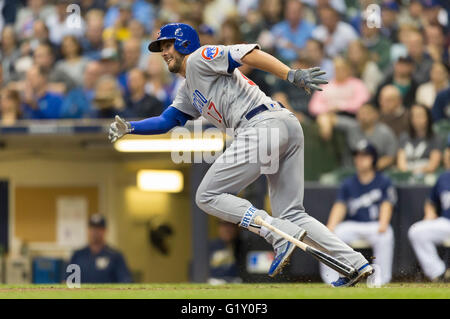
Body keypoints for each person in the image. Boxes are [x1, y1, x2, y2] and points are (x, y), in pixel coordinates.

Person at [109, 23, 374, 287]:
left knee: (206, 196)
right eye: (161, 48)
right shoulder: (188, 88)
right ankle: (355, 263)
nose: (164, 52)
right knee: (292, 214)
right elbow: (167, 121)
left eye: (167, 45)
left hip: (261, 124)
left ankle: (277, 235)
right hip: (283, 125)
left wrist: (290, 74)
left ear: (184, 43)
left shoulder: (199, 57)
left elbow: (248, 54)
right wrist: (132, 127)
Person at [320, 141, 396, 286]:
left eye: (364, 156)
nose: (359, 159)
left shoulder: (383, 180)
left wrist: (384, 223)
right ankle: (331, 280)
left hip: (375, 225)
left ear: (373, 158)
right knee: (331, 235)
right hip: (353, 224)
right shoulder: (348, 183)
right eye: (357, 155)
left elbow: (387, 204)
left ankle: (379, 281)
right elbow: (340, 206)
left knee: (386, 234)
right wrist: (331, 226)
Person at [408, 136, 450, 282]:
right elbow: (431, 201)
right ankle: (439, 274)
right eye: (449, 150)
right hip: (447, 222)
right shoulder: (444, 178)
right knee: (417, 231)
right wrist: (429, 212)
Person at [317, 104, 398, 170]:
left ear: (376, 115)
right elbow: (325, 116)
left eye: (367, 113)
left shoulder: (385, 132)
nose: (364, 116)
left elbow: (390, 157)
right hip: (350, 172)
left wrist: (369, 167)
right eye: (361, 113)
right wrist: (326, 127)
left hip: (376, 172)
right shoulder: (352, 127)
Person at [68, 214, 133, 283]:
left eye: (99, 229)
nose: (95, 232)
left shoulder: (115, 256)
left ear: (105, 231)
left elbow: (126, 280)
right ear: (88, 230)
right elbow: (68, 282)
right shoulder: (78, 255)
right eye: (92, 228)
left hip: (108, 293)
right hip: (81, 293)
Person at [397, 103, 443, 176]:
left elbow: (432, 166)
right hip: (406, 176)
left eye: (420, 115)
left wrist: (418, 172)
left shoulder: (436, 138)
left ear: (428, 117)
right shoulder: (404, 136)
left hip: (426, 177)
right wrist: (408, 173)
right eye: (413, 116)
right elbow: (401, 163)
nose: (416, 119)